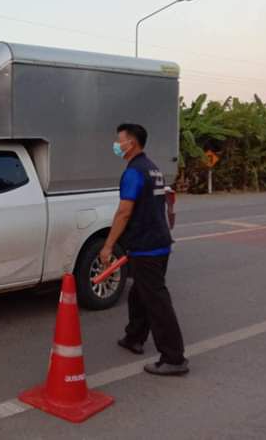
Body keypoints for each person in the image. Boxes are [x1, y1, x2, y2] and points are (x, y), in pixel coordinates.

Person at [99, 123, 189, 376]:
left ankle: (174, 358)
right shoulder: (152, 168)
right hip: (158, 241)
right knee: (139, 294)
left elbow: (124, 212)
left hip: (147, 246)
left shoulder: (134, 172)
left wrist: (108, 246)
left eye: (119, 140)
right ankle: (134, 337)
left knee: (157, 302)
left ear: (131, 143)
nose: (116, 145)